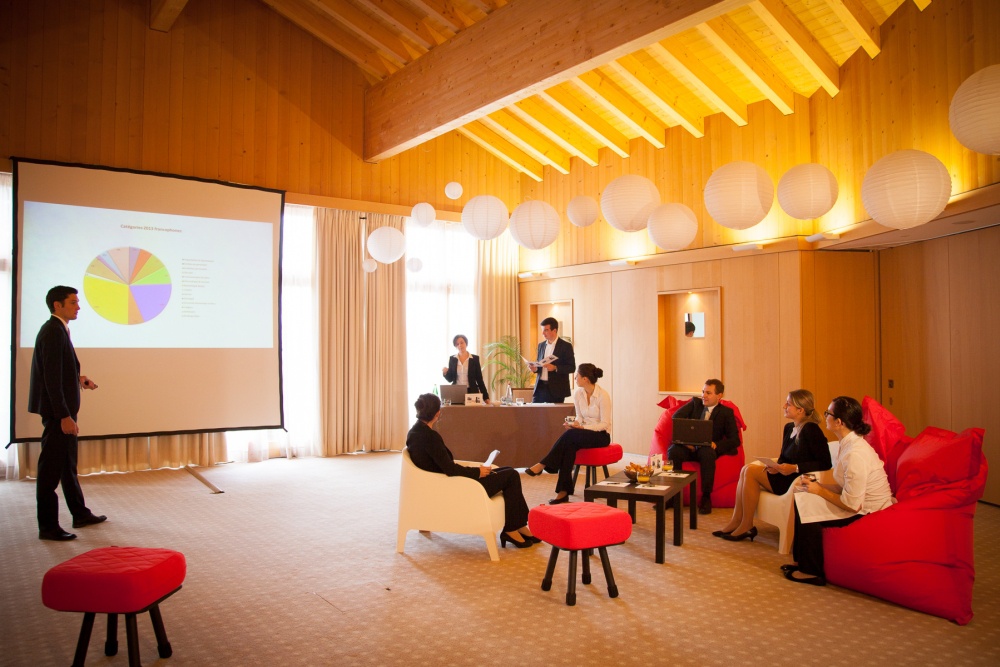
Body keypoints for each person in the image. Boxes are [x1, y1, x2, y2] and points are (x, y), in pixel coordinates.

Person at [784, 396, 894, 586]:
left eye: (828, 413)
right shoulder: (847, 444)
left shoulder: (855, 454)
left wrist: (819, 491)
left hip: (867, 510)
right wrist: (816, 487)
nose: (824, 416)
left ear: (839, 422)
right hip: (856, 502)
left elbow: (852, 504)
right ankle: (801, 561)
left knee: (809, 503)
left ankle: (812, 571)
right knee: (804, 494)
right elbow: (845, 487)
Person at [405, 393, 536, 548]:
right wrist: (477, 472)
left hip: (443, 481)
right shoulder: (429, 437)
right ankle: (512, 528)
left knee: (507, 471)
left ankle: (518, 525)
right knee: (512, 475)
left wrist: (477, 470)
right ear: (437, 414)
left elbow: (443, 465)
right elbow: (450, 469)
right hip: (456, 485)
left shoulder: (414, 432)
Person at [28, 286, 106, 541]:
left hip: (63, 411)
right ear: (57, 305)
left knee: (67, 466)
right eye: (73, 302)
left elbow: (58, 371)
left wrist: (78, 379)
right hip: (58, 414)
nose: (78, 307)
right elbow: (50, 378)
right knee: (50, 470)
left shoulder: (59, 329)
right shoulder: (52, 331)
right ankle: (48, 527)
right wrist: (63, 416)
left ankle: (80, 513)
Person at [715, 389, 831, 542]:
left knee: (750, 471)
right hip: (783, 475)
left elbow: (825, 463)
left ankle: (746, 524)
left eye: (788, 404)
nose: (784, 406)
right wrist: (776, 467)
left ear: (800, 410)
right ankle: (737, 521)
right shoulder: (789, 428)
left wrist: (795, 467)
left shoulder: (811, 430)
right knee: (746, 469)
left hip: (795, 480)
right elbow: (784, 457)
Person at [525, 363, 611, 504]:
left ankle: (544, 464)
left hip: (600, 435)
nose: (575, 378)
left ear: (585, 379)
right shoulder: (578, 394)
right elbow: (579, 417)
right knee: (569, 445)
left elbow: (605, 424)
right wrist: (575, 424)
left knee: (570, 436)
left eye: (577, 375)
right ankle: (563, 492)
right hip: (582, 433)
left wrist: (583, 428)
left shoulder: (603, 395)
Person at [667, 379, 740, 515]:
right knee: (673, 451)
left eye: (708, 393)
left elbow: (735, 440)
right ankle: (673, 495)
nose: (703, 396)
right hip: (689, 447)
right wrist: (686, 440)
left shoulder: (726, 412)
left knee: (707, 454)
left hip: (707, 449)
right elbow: (676, 417)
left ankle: (706, 497)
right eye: (703, 392)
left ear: (719, 396)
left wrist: (717, 444)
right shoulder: (695, 404)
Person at [530, 317, 575, 403]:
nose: (543, 333)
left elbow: (571, 367)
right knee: (535, 410)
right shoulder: (541, 345)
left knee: (554, 412)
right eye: (542, 330)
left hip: (557, 389)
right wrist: (535, 369)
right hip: (540, 387)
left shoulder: (566, 346)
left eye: (546, 330)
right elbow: (540, 365)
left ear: (554, 330)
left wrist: (555, 368)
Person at [440, 334, 489, 404]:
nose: (460, 345)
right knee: (457, 410)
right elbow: (450, 379)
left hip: (471, 391)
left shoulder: (475, 359)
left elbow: (479, 379)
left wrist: (486, 398)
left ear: (466, 343)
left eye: (462, 342)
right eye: (457, 344)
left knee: (472, 411)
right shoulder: (452, 359)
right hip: (456, 391)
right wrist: (445, 373)